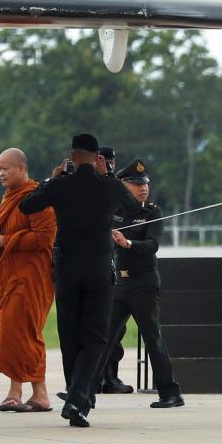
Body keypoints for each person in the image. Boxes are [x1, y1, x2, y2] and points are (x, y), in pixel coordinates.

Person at [19, 133, 142, 428]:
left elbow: (26, 205)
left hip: (66, 269)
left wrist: (51, 179)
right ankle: (78, 398)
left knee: (70, 334)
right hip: (98, 268)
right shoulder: (109, 184)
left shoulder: (61, 185)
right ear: (97, 156)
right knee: (95, 336)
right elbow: (134, 209)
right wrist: (109, 175)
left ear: (72, 156)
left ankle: (78, 398)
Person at [0, 148, 57, 413]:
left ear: (21, 167)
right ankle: (28, 392)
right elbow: (6, 233)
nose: (2, 174)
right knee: (11, 332)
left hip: (31, 277)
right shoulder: (8, 197)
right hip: (9, 275)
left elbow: (44, 238)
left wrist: (4, 241)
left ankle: (29, 393)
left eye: (6, 168)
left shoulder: (37, 198)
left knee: (23, 331)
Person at [94, 159, 184, 408]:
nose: (142, 188)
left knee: (152, 338)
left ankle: (170, 393)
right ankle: (85, 390)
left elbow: (153, 245)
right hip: (118, 285)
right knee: (103, 338)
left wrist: (128, 243)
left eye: (145, 184)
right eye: (136, 184)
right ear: (123, 186)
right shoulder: (113, 212)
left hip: (143, 284)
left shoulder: (151, 212)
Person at [94, 145, 131, 394]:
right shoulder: (90, 187)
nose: (108, 166)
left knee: (117, 329)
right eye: (104, 161)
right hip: (96, 263)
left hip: (118, 263)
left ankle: (110, 376)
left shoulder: (115, 186)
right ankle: (94, 378)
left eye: (111, 162)